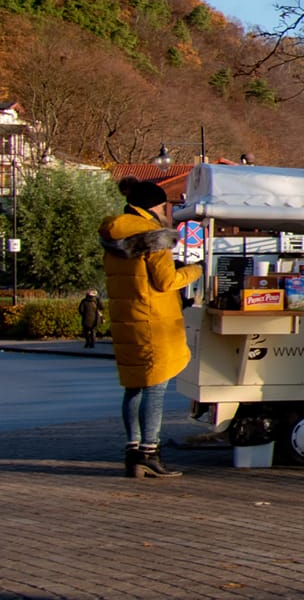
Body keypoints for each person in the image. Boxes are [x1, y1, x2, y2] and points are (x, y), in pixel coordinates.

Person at [98, 181, 202, 478]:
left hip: (127, 320)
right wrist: (194, 269)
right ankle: (150, 452)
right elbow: (165, 282)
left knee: (134, 387)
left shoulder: (114, 235)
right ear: (153, 207)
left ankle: (132, 452)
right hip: (153, 321)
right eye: (162, 207)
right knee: (155, 389)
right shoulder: (153, 237)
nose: (165, 212)